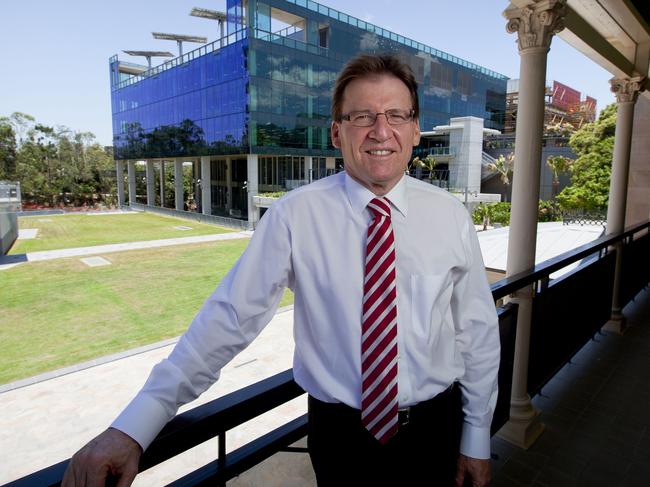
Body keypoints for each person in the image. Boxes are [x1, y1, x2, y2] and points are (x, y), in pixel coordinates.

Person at [63, 53, 500, 487]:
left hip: (435, 432)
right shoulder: (294, 217)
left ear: (415, 129)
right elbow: (228, 320)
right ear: (336, 132)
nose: (380, 130)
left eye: (396, 115)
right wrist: (134, 425)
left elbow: (477, 332)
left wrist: (476, 436)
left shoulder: (450, 216)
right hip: (340, 440)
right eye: (362, 116)